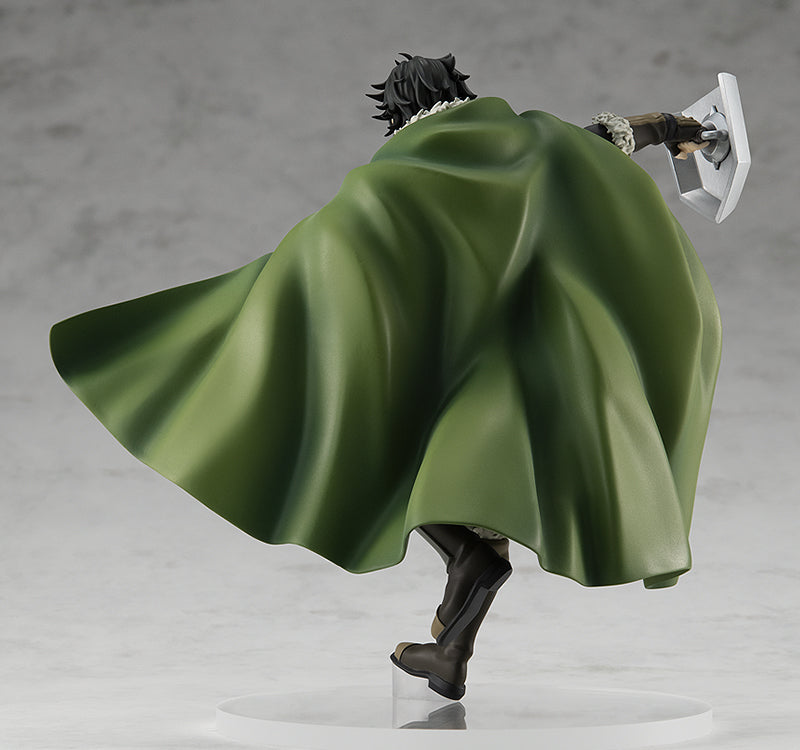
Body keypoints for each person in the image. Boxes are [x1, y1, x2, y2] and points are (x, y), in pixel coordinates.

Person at [51, 54, 722, 701]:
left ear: (399, 112)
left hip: (441, 372)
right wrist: (679, 127)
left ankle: (463, 567)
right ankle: (449, 654)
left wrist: (277, 304)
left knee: (383, 454)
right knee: (474, 492)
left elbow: (332, 258)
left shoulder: (389, 181)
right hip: (528, 371)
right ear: (459, 89)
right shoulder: (536, 140)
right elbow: (610, 138)